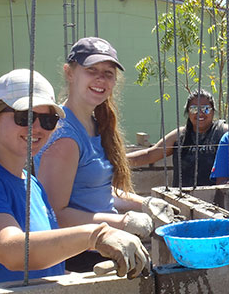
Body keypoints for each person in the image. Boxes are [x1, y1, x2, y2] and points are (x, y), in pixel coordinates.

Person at [0, 69, 149, 286]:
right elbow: (12, 251)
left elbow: (46, 261)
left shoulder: (33, 184)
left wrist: (80, 280)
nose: (36, 127)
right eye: (25, 116)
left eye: (48, 120)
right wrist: (96, 235)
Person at [35, 37, 178, 272]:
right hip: (78, 259)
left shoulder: (94, 124)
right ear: (69, 73)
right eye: (91, 70)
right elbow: (55, 215)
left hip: (105, 247)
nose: (101, 79)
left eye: (108, 73)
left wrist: (145, 203)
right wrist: (123, 222)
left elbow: (96, 190)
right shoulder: (64, 138)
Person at [127, 89, 229, 187]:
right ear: (188, 112)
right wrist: (117, 161)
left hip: (217, 200)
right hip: (183, 201)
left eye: (206, 109)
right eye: (194, 109)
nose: (200, 113)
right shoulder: (179, 136)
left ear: (213, 111)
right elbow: (150, 155)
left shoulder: (223, 132)